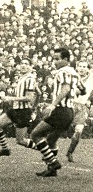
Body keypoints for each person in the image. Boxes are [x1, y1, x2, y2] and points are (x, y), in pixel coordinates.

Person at [31, 48, 85, 177]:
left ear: (66, 59)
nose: (54, 62)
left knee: (35, 134)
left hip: (60, 110)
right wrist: (72, 94)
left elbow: (65, 88)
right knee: (51, 141)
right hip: (69, 111)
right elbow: (82, 90)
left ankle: (54, 163)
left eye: (57, 59)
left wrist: (52, 105)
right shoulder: (74, 72)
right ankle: (51, 170)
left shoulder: (62, 71)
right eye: (53, 59)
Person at [0, 58, 38, 156]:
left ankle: (45, 148)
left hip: (23, 111)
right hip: (15, 109)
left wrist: (10, 99)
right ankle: (5, 149)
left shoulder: (30, 79)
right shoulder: (22, 78)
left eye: (26, 64)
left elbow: (29, 97)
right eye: (22, 63)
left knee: (20, 140)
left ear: (30, 66)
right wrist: (3, 99)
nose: (23, 65)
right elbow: (39, 93)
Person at [66, 61, 93, 162]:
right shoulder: (71, 76)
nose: (82, 68)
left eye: (84, 66)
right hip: (69, 105)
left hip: (82, 107)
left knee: (79, 130)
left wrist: (90, 99)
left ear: (87, 68)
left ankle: (69, 152)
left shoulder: (91, 77)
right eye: (80, 66)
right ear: (76, 67)